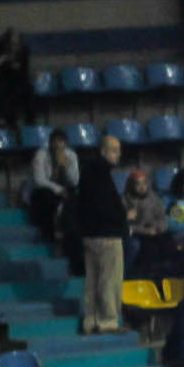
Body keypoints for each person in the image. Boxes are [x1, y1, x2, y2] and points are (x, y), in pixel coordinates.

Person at [74, 132, 130, 333]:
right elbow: (105, 207)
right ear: (103, 151)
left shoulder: (88, 172)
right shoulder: (101, 175)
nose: (118, 155)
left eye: (119, 151)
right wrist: (122, 218)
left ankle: (90, 322)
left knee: (92, 281)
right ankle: (108, 321)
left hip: (90, 234)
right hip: (107, 234)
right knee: (109, 280)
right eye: (114, 150)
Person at [26, 129, 79, 241]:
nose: (58, 147)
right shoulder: (41, 155)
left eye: (61, 143)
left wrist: (66, 167)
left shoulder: (71, 156)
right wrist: (59, 190)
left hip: (64, 190)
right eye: (55, 143)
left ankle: (70, 235)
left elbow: (74, 181)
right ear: (50, 144)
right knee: (47, 197)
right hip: (42, 191)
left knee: (75, 197)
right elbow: (39, 180)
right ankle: (49, 234)